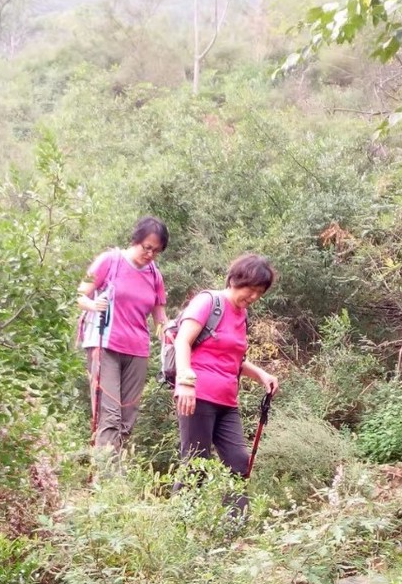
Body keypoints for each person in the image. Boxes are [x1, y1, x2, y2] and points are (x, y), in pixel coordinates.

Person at [171, 253, 279, 512]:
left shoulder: (242, 316)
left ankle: (234, 529)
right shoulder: (208, 302)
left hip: (227, 402)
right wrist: (185, 382)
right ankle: (179, 526)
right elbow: (182, 340)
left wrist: (262, 375)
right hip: (197, 397)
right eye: (249, 289)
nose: (252, 297)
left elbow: (233, 360)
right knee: (196, 463)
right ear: (234, 280)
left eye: (259, 293)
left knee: (238, 462)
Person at [76, 217, 170, 452]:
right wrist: (93, 304)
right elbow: (80, 295)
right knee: (109, 414)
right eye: (147, 247)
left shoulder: (155, 276)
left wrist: (170, 336)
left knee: (127, 417)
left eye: (156, 251)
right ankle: (107, 480)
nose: (150, 254)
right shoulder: (110, 261)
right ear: (135, 240)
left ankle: (113, 474)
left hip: (137, 350)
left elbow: (160, 318)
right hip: (104, 344)